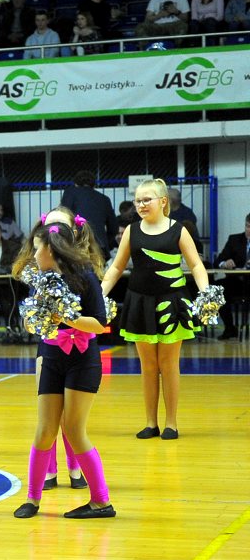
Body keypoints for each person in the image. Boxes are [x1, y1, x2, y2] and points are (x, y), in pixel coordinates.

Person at [12, 223, 116, 520]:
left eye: (37, 249)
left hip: (83, 359)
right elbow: (32, 321)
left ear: (51, 249)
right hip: (52, 356)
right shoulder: (41, 280)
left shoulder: (85, 277)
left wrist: (66, 318)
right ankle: (32, 499)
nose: (33, 255)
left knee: (73, 429)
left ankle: (101, 502)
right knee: (45, 430)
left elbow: (100, 324)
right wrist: (32, 319)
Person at [102, 179, 210, 440]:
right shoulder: (131, 231)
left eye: (146, 200)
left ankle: (171, 423)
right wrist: (100, 293)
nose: (141, 205)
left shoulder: (178, 230)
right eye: (138, 201)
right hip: (140, 302)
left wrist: (206, 292)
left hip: (173, 302)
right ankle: (151, 422)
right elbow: (116, 267)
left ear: (163, 202)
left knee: (168, 365)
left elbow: (196, 265)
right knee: (148, 366)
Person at [214, 212, 250, 340]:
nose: (249, 230)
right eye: (247, 226)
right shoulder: (234, 240)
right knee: (217, 289)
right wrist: (225, 263)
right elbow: (218, 261)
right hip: (237, 282)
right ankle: (230, 328)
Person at [61, 170, 118, 251]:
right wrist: (104, 241)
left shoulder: (69, 194)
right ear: (94, 185)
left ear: (76, 184)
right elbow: (114, 228)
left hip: (77, 245)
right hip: (99, 246)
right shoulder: (104, 199)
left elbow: (63, 219)